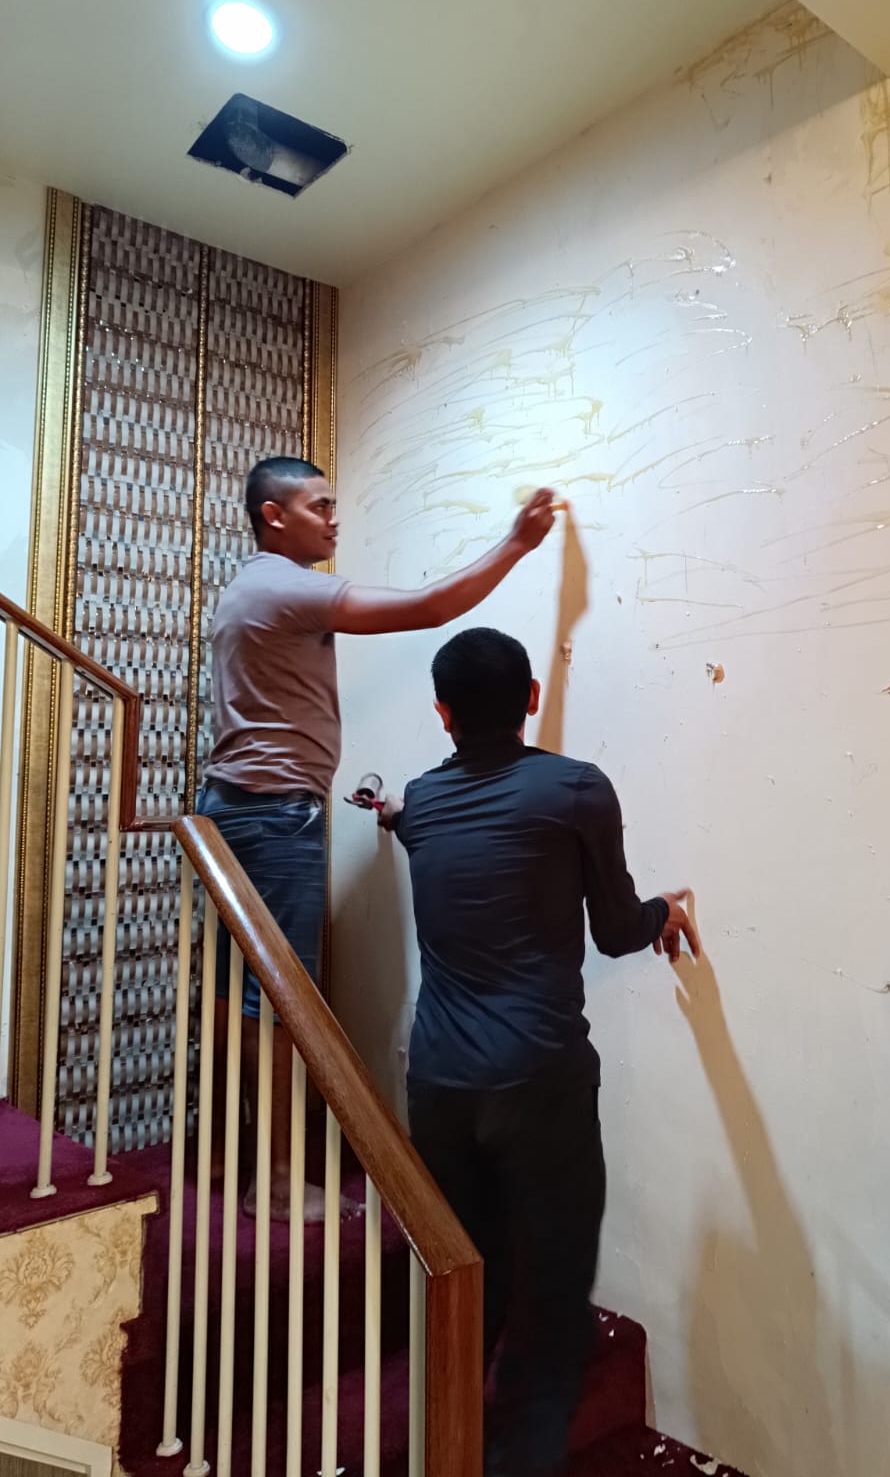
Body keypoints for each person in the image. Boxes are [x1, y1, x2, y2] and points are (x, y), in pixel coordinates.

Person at [199, 457, 557, 1221]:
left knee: (236, 994)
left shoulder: (244, 588)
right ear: (273, 517)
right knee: (283, 1000)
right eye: (320, 506)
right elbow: (429, 607)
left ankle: (237, 1152)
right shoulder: (284, 585)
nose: (334, 520)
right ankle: (280, 1179)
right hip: (274, 816)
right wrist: (517, 543)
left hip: (231, 808)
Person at [377, 626, 697, 1477]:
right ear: (531, 698)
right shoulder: (577, 789)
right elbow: (618, 930)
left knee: (458, 1275)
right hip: (541, 1082)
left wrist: (393, 812)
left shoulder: (420, 803)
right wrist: (667, 911)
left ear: (441, 713)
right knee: (552, 1291)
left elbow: (418, 821)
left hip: (439, 1085)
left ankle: (445, 1446)